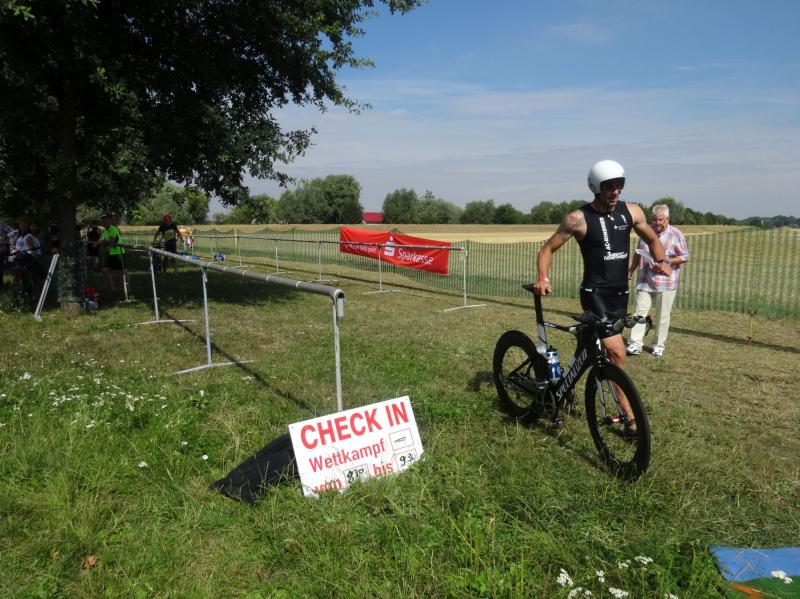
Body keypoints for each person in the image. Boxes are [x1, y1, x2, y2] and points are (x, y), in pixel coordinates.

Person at [533, 160, 672, 435]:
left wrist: (662, 260)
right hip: (594, 294)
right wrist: (543, 278)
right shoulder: (578, 219)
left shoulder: (632, 212)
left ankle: (561, 387)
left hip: (620, 295)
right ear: (595, 187)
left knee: (586, 348)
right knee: (617, 353)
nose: (615, 191)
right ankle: (630, 418)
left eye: (619, 186)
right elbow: (547, 248)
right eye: (609, 187)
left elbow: (653, 239)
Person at [626, 204, 689, 358]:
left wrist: (667, 261)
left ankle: (658, 345)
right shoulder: (646, 231)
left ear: (667, 219)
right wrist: (631, 270)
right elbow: (638, 253)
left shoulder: (676, 234)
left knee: (663, 315)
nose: (657, 223)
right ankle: (635, 344)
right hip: (645, 280)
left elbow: (684, 256)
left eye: (660, 220)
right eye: (654, 220)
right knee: (639, 312)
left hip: (666, 283)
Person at [101, 213, 128, 292]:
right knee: (104, 270)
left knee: (123, 271)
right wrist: (105, 242)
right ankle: (113, 286)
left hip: (119, 252)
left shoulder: (113, 229)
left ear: (109, 221)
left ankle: (127, 288)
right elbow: (106, 241)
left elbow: (111, 241)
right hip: (111, 253)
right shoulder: (105, 231)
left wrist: (106, 242)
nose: (105, 223)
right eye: (103, 222)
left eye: (106, 221)